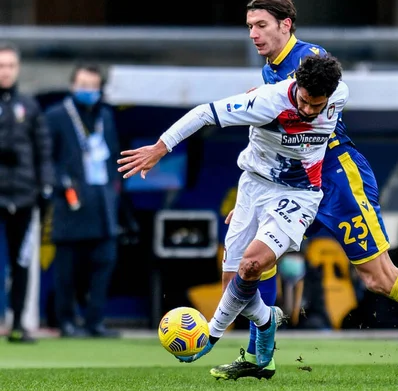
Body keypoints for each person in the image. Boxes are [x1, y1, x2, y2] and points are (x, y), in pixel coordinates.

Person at [211, 0, 398, 383]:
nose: (254, 34)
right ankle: (260, 355)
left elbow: (315, 119)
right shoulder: (272, 69)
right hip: (298, 181)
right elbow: (276, 140)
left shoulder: (309, 63)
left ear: (286, 25)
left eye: (261, 25)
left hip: (337, 176)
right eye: (250, 27)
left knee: (379, 277)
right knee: (257, 258)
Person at [117, 55, 348, 369]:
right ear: (297, 86)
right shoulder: (267, 101)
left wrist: (211, 333)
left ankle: (210, 336)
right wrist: (160, 148)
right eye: (305, 102)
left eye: (316, 105)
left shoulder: (339, 94)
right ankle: (266, 322)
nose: (309, 111)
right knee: (234, 288)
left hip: (300, 193)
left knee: (252, 264)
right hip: (253, 189)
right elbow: (203, 113)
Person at [45, 63, 121, 338]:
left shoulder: (106, 116)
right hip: (71, 203)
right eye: (83, 86)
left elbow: (113, 157)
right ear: (72, 86)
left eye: (93, 86)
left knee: (105, 261)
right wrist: (61, 184)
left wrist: (115, 190)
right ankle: (65, 321)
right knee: (67, 269)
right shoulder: (56, 116)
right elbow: (47, 159)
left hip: (103, 202)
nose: (89, 91)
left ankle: (94, 321)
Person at [0, 41, 54, 343]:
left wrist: (45, 186)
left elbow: (43, 151)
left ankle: (18, 323)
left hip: (23, 197)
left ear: (16, 68)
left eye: (9, 66)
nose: (5, 71)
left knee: (21, 264)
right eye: (0, 66)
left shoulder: (30, 106)